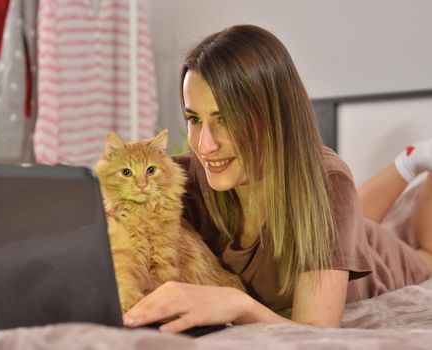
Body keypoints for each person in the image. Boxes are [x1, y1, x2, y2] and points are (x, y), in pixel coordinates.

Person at [122, 24, 432, 332]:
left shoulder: (327, 182)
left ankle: (414, 159)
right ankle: (410, 162)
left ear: (274, 115)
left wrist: (239, 304)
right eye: (194, 119)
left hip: (385, 259)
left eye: (226, 119)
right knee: (353, 220)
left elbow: (317, 330)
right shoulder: (174, 180)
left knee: (425, 255)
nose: (205, 146)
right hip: (336, 218)